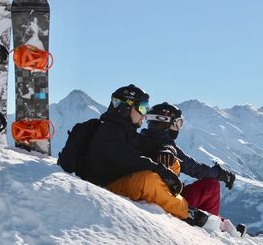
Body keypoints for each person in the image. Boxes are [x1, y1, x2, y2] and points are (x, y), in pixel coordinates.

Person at [84, 85, 208, 226]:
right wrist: (161, 170)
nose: (145, 114)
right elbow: (129, 159)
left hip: (123, 179)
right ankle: (186, 212)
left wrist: (166, 150)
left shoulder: (127, 131)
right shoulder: (108, 131)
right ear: (125, 107)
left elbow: (151, 145)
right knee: (148, 180)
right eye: (142, 108)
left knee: (172, 163)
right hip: (107, 186)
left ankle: (168, 197)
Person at [140, 102, 244, 235]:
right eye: (177, 123)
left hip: (158, 193)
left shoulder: (139, 140)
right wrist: (220, 174)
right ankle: (214, 227)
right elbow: (193, 168)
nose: (178, 128)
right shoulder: (166, 147)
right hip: (167, 199)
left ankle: (219, 222)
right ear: (166, 123)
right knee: (211, 186)